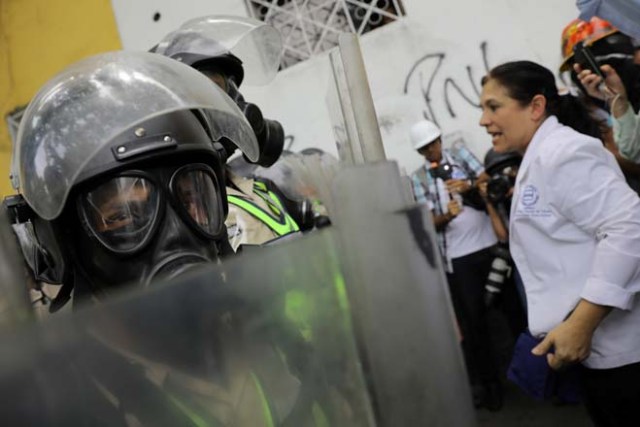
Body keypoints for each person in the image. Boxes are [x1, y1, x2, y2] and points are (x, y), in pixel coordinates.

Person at [479, 60, 640, 426]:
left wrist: (582, 322)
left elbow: (629, 226)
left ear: (535, 107)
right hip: (593, 354)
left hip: (622, 356)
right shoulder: (539, 159)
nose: (483, 121)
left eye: (493, 106)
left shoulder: (563, 153)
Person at [410, 120, 503, 411]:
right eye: (425, 148)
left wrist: (468, 186)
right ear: (420, 151)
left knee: (509, 310)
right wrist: (447, 216)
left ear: (440, 139)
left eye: (434, 143)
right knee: (474, 323)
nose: (432, 150)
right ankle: (491, 387)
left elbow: (488, 179)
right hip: (457, 258)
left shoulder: (460, 156)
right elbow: (426, 223)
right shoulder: (420, 179)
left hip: (490, 244)